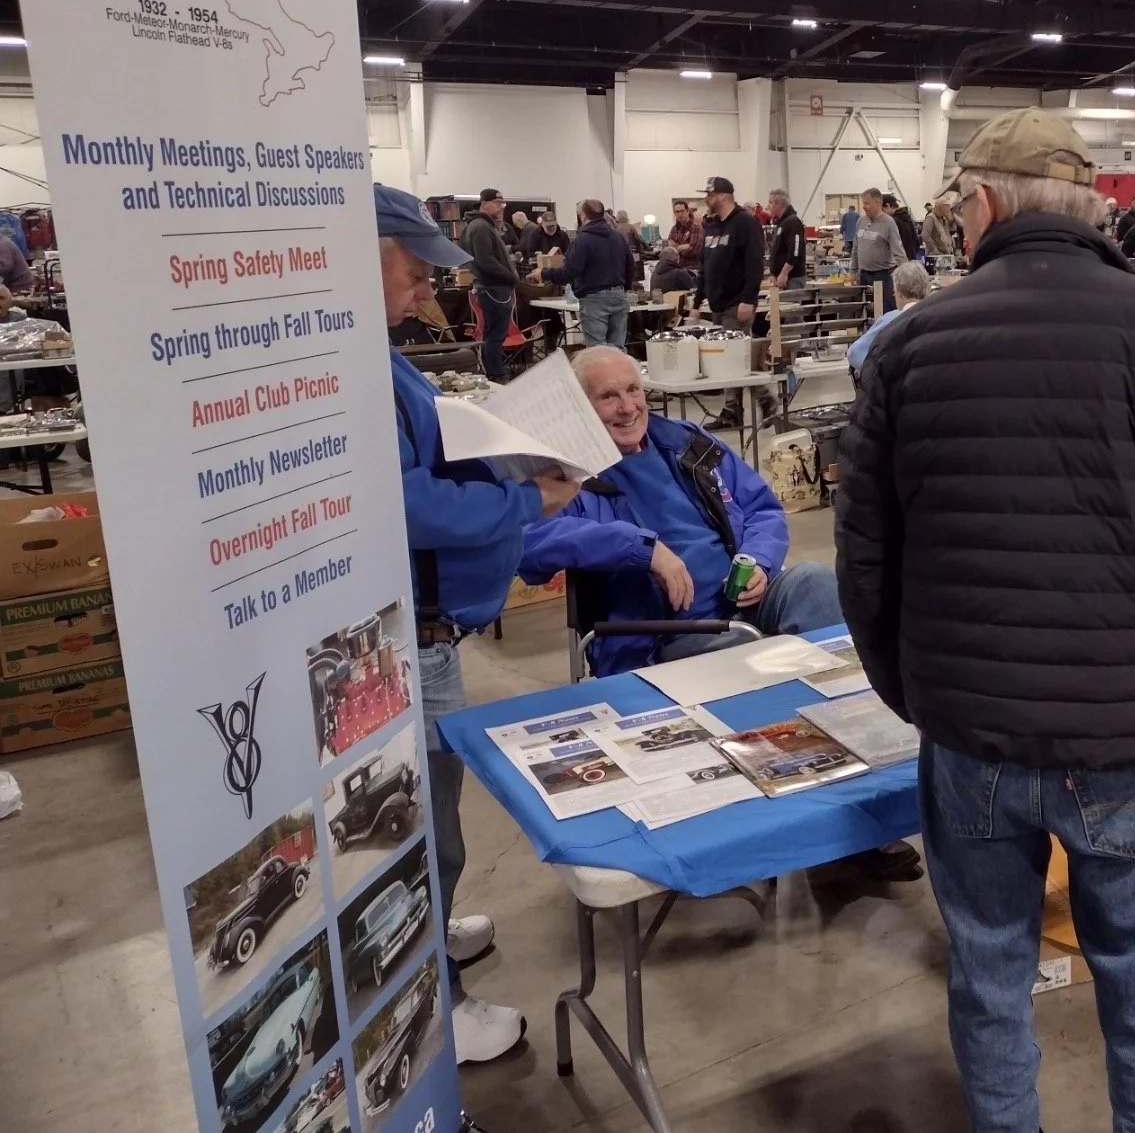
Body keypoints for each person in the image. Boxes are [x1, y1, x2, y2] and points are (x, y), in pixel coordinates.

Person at [835, 106, 1135, 1133]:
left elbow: (865, 564)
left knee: (990, 972)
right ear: (1093, 209)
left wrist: (921, 692)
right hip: (1129, 732)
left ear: (981, 203)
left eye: (956, 203)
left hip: (971, 732)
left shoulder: (907, 348)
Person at [516, 346, 922, 881]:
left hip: (742, 602)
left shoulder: (687, 444)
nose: (626, 406)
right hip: (659, 632)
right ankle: (795, 822)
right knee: (748, 659)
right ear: (580, 407)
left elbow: (761, 508)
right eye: (607, 396)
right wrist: (642, 547)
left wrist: (757, 560)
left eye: (632, 389)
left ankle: (854, 797)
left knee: (818, 586)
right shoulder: (564, 472)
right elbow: (528, 545)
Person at [377, 183, 583, 1065]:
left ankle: (428, 932)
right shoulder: (349, 365)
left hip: (428, 629)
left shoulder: (372, 355)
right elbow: (400, 500)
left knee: (435, 815)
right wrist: (520, 496)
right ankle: (435, 1008)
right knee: (430, 824)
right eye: (417, 268)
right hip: (405, 638)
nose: (430, 289)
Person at [536, 198, 634, 348]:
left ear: (583, 216)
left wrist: (544, 274)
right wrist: (622, 288)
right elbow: (630, 267)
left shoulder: (581, 240)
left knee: (597, 350)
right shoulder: (618, 238)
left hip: (594, 298)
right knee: (618, 349)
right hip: (619, 296)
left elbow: (570, 271)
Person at [462, 188, 518, 381]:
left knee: (491, 335)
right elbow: (486, 261)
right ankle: (497, 375)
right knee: (495, 336)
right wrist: (511, 277)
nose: (501, 206)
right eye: (497, 202)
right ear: (484, 203)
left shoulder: (484, 226)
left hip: (493, 287)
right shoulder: (480, 227)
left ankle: (493, 373)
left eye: (503, 203)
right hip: (494, 288)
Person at [697, 176, 765, 329]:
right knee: (718, 352)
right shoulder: (713, 226)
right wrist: (697, 302)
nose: (707, 199)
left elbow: (755, 264)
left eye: (710, 195)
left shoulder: (745, 222)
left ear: (722, 196)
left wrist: (748, 300)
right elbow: (705, 266)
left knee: (733, 351)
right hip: (716, 306)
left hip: (736, 305)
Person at [847, 259, 929, 377]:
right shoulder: (941, 316)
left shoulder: (889, 320)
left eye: (895, 291)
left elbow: (855, 354)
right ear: (928, 289)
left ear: (899, 293)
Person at [850, 186, 906, 313]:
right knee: (865, 312)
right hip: (864, 276)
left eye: (866, 203)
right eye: (863, 203)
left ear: (877, 202)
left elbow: (899, 253)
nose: (863, 206)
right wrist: (853, 271)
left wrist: (906, 278)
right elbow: (855, 248)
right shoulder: (860, 221)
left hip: (884, 276)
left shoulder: (889, 223)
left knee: (886, 312)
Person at [767, 189, 808, 291]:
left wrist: (784, 273)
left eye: (771, 203)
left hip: (792, 278)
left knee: (792, 306)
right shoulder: (781, 223)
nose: (768, 206)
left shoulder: (792, 222)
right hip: (782, 278)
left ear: (780, 204)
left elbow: (795, 251)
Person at [667, 199, 704, 272]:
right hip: (677, 268)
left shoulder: (696, 227)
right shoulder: (674, 229)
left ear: (687, 211)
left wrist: (676, 248)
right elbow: (669, 250)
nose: (680, 214)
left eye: (682, 211)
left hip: (692, 269)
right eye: (677, 212)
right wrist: (683, 247)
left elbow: (694, 250)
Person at [883, 194, 921, 262]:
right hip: (911, 260)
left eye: (882, 210)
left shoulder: (893, 222)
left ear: (887, 206)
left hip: (900, 263)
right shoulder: (908, 219)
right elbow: (917, 243)